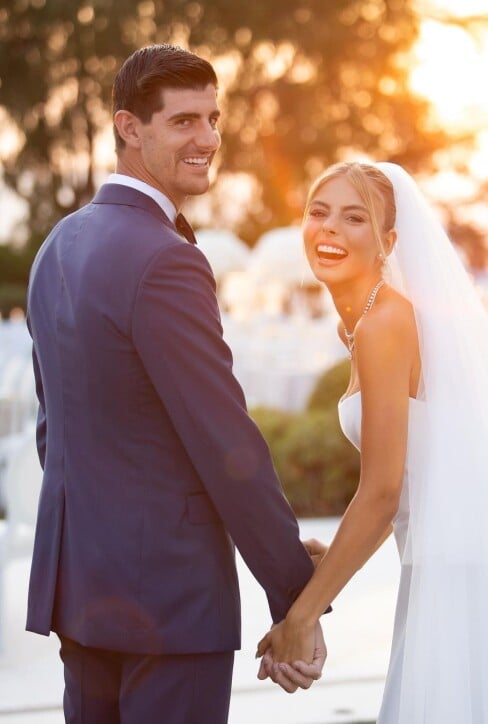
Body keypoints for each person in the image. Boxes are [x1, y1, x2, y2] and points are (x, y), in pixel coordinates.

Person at [25, 44, 325, 724]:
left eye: (214, 119)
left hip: (83, 591)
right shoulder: (165, 259)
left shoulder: (58, 245)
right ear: (129, 128)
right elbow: (225, 441)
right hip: (170, 599)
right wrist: (296, 596)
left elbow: (57, 433)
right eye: (185, 121)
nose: (209, 139)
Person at [257, 161, 488, 722]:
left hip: (471, 583)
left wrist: (302, 617)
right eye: (319, 212)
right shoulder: (359, 325)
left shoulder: (386, 325)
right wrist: (334, 557)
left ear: (388, 243)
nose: (329, 228)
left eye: (354, 218)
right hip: (447, 566)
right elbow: (418, 484)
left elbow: (383, 492)